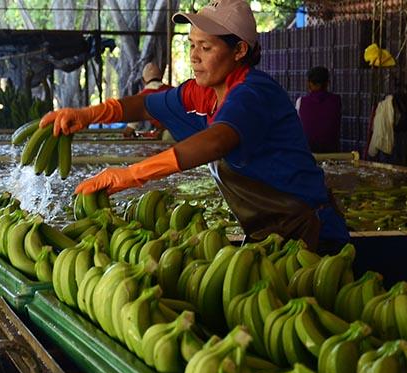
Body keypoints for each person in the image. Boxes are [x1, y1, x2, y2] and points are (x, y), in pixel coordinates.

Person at [41, 0, 349, 252]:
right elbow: (148, 103)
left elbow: (217, 141)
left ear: (239, 51)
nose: (194, 57)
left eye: (206, 47)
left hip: (313, 235)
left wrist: (132, 175)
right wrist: (86, 115)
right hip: (269, 234)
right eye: (191, 45)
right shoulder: (201, 92)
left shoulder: (253, 93)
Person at [295, 66, 342, 153]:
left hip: (308, 153)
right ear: (328, 83)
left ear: (309, 83)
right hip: (332, 154)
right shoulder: (336, 101)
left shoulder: (301, 102)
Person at [123, 62, 172, 138]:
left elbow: (129, 130)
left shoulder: (141, 98)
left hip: (170, 135)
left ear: (143, 80)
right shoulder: (173, 91)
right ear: (161, 77)